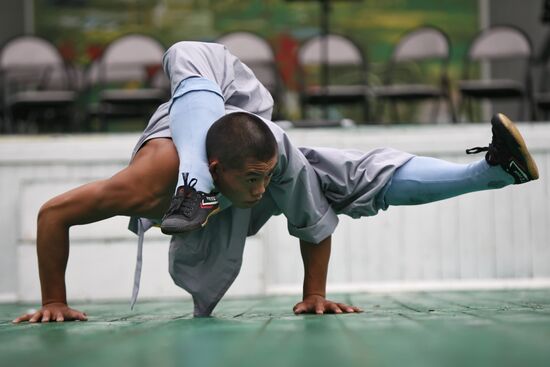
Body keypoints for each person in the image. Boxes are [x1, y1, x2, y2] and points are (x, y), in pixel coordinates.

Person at [12, 42, 539, 323]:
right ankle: (192, 188)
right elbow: (53, 214)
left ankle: (490, 173)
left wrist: (315, 294)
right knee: (183, 51)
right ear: (217, 170)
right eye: (253, 181)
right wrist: (53, 300)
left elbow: (313, 223)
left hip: (233, 136)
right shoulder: (148, 181)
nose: (264, 190)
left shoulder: (275, 158)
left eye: (267, 178)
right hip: (194, 171)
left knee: (347, 174)